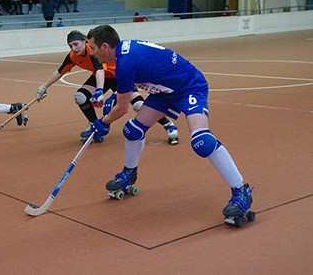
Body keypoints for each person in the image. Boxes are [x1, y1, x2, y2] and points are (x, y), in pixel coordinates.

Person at [85, 25, 254, 226]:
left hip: (190, 86)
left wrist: (102, 123)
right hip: (165, 92)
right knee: (133, 130)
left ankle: (241, 190)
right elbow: (126, 95)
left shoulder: (125, 63)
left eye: (93, 48)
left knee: (202, 141)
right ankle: (129, 173)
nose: (93, 53)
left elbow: (122, 108)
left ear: (105, 46)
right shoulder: (124, 53)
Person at [36, 30, 179, 144]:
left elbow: (99, 69)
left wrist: (99, 91)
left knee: (138, 106)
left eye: (76, 44)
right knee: (80, 97)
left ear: (84, 41)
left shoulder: (92, 50)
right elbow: (60, 71)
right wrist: (44, 86)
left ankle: (168, 124)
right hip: (102, 78)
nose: (73, 48)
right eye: (70, 46)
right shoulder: (72, 55)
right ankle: (95, 127)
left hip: (119, 76)